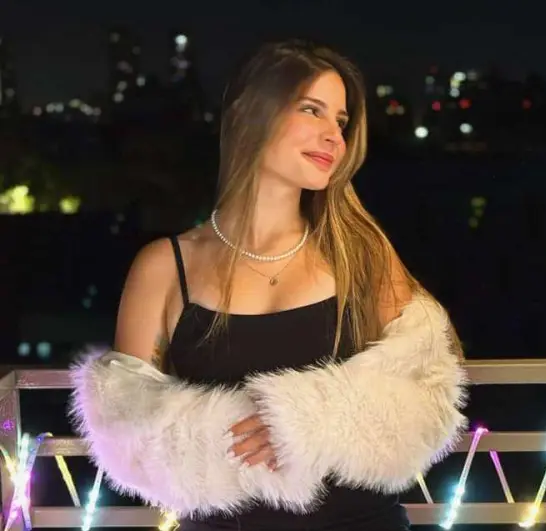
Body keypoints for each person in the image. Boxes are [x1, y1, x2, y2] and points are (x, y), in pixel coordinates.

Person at [68, 40, 468, 531]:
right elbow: (127, 429)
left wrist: (313, 420)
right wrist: (231, 437)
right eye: (312, 110)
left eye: (341, 121)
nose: (333, 137)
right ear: (249, 114)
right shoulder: (164, 268)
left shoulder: (360, 253)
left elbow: (428, 389)